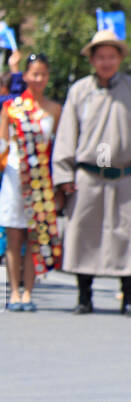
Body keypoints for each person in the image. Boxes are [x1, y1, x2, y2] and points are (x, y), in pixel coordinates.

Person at [52, 28, 131, 314]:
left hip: (123, 175)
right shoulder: (80, 91)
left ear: (119, 58)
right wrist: (63, 175)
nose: (106, 62)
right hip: (88, 174)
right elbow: (66, 135)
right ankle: (84, 297)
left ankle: (128, 296)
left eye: (111, 56)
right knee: (83, 235)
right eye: (101, 57)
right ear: (93, 60)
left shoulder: (128, 90)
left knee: (126, 236)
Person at [0, 53, 62, 311]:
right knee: (13, 236)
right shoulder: (12, 107)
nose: (38, 78)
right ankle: (14, 291)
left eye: (43, 74)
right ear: (26, 76)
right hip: (14, 176)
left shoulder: (54, 109)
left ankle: (28, 292)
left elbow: (58, 148)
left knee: (34, 237)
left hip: (40, 179)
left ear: (47, 77)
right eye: (34, 74)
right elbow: (1, 146)